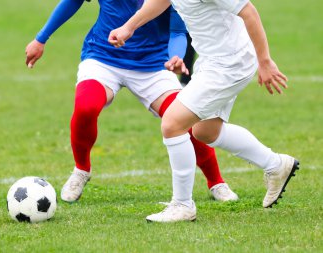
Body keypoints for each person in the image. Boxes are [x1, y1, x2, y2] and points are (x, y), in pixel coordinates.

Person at [25, 0, 239, 204]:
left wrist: (176, 57)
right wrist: (41, 38)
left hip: (154, 64)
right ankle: (81, 170)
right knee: (86, 106)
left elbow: (177, 32)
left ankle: (216, 181)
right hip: (103, 57)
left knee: (184, 119)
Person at [109, 0, 300, 222]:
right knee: (205, 132)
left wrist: (265, 61)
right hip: (212, 61)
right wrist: (129, 27)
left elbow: (249, 12)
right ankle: (276, 165)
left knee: (172, 123)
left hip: (230, 63)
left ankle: (182, 205)